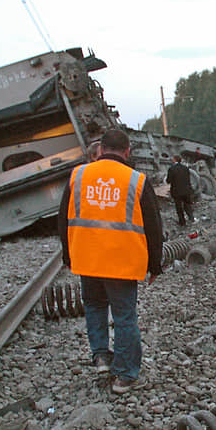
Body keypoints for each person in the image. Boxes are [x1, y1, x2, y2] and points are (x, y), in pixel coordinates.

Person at [58, 128, 163, 395]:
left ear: (101, 149)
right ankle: (125, 376)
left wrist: (68, 256)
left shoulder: (79, 176)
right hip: (122, 261)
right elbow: (153, 225)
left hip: (87, 258)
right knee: (124, 316)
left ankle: (102, 357)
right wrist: (155, 264)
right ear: (127, 151)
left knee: (94, 307)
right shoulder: (136, 180)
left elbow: (62, 220)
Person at [166, 155, 194, 226]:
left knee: (179, 208)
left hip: (177, 191)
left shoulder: (172, 169)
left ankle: (182, 222)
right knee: (187, 205)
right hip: (186, 190)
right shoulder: (185, 168)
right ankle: (191, 218)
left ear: (174, 160)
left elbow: (168, 180)